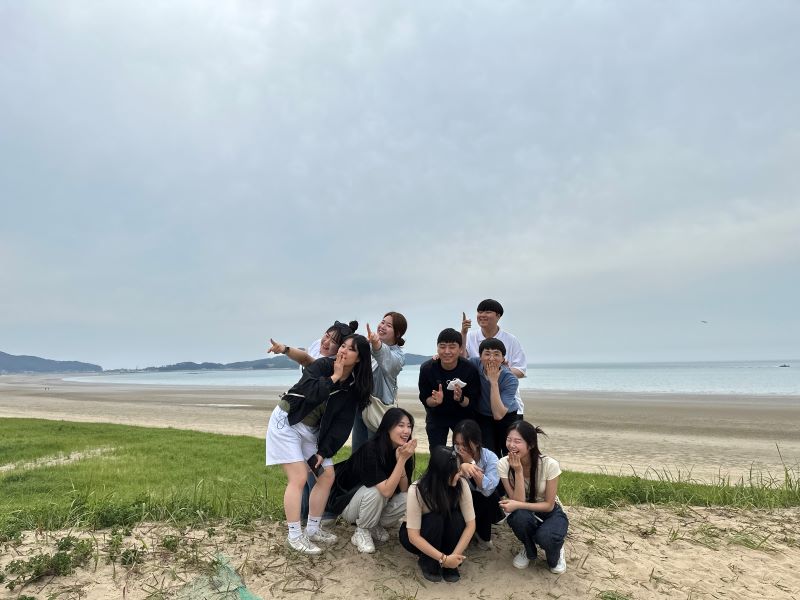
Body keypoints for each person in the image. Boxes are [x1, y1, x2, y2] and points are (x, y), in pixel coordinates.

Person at [265, 334, 373, 555]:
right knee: (298, 477)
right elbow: (309, 393)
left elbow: (341, 424)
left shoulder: (353, 386)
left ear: (360, 358)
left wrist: (324, 452)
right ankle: (295, 536)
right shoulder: (323, 365)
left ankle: (313, 529)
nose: (343, 350)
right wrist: (334, 377)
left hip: (311, 432)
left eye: (351, 349)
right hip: (287, 422)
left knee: (326, 475)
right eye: (343, 346)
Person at [326, 407, 417, 553]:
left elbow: (404, 490)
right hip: (348, 504)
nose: (406, 431)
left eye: (409, 426)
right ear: (388, 427)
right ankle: (362, 531)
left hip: (374, 503)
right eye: (401, 425)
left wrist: (402, 461)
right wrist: (401, 461)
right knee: (377, 491)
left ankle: (373, 525)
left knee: (410, 496)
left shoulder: (403, 451)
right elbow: (386, 491)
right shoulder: (371, 449)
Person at [498, 421, 568, 574]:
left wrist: (518, 505)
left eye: (517, 441)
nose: (511, 445)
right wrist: (518, 471)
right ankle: (528, 548)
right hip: (524, 511)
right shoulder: (503, 464)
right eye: (509, 440)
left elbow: (549, 505)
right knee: (519, 518)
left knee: (547, 542)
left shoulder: (549, 464)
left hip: (549, 512)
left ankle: (557, 548)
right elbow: (518, 502)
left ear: (530, 444)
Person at [400, 446, 476, 583]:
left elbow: (471, 525)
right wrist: (443, 559)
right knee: (435, 518)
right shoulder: (418, 490)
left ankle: (450, 565)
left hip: (447, 534)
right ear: (443, 473)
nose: (460, 474)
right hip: (420, 534)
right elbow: (413, 536)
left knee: (456, 518)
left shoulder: (462, 485)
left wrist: (453, 557)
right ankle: (429, 561)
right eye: (456, 471)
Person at [352, 311, 408, 450]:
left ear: (398, 334)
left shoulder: (398, 356)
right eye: (382, 322)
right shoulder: (369, 346)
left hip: (379, 410)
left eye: (388, 325)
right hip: (362, 405)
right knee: (357, 453)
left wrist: (376, 343)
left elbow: (386, 360)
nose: (382, 326)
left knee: (376, 453)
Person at [418, 328, 481, 449]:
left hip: (463, 415)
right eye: (442, 347)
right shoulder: (427, 369)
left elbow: (472, 401)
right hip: (437, 415)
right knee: (437, 452)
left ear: (460, 349)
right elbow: (424, 398)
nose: (447, 351)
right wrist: (435, 401)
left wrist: (460, 398)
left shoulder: (469, 369)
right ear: (437, 348)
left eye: (452, 347)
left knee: (464, 450)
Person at [468, 337, 523, 456]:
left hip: (506, 416)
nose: (491, 358)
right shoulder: (474, 363)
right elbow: (457, 361)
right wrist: (436, 357)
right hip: (483, 416)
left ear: (503, 359)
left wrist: (493, 382)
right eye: (487, 354)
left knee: (509, 452)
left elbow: (498, 415)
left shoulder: (510, 379)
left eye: (496, 354)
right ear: (480, 356)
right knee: (489, 453)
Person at [452, 419, 502, 549]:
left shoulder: (491, 458)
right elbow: (448, 484)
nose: (460, 448)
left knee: (490, 497)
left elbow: (487, 490)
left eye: (465, 444)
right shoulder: (453, 454)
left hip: (482, 501)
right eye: (457, 444)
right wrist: (460, 467)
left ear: (477, 442)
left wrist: (471, 463)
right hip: (459, 500)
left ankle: (481, 533)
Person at [461, 299, 528, 378]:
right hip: (476, 385)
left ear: (498, 316)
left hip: (503, 385)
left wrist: (502, 370)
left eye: (488, 312)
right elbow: (461, 362)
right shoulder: (469, 336)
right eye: (480, 312)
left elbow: (521, 371)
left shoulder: (511, 340)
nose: (482, 315)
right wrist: (463, 333)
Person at [268, 320, 358, 367]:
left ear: (341, 347)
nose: (326, 342)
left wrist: (285, 349)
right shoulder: (318, 342)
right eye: (327, 336)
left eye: (333, 342)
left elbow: (305, 360)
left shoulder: (332, 363)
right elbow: (307, 352)